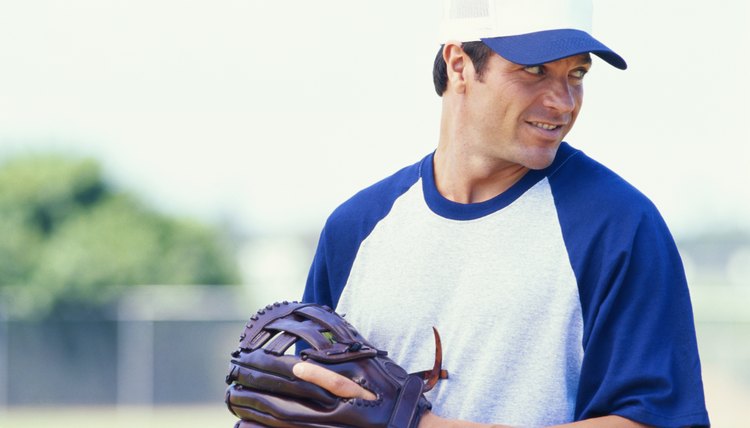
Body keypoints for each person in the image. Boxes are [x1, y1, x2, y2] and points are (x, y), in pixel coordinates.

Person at [295, 0, 710, 426]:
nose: (563, 102)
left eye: (577, 74)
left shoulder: (619, 227)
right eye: (535, 71)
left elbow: (656, 420)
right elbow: (308, 403)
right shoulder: (356, 228)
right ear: (459, 65)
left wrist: (416, 423)